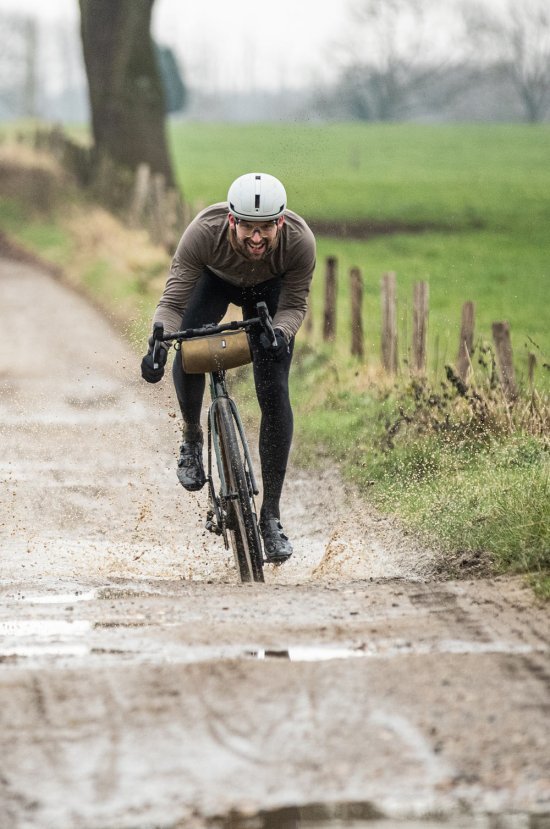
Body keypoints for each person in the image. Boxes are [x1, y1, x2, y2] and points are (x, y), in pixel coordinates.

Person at [140, 172, 316, 562]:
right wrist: (158, 346)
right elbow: (170, 306)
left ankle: (270, 518)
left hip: (268, 293)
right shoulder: (203, 232)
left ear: (280, 223)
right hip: (214, 282)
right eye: (248, 229)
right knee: (188, 345)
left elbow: (294, 306)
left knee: (275, 391)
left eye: (266, 229)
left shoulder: (299, 242)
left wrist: (282, 333)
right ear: (232, 221)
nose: (257, 239)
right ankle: (191, 439)